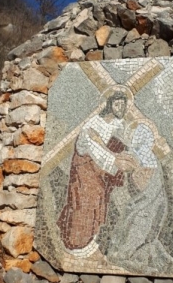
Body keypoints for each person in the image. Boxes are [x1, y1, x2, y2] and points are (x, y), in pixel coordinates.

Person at [57, 89, 136, 256]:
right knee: (84, 203)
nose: (120, 108)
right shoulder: (93, 123)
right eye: (117, 104)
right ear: (109, 104)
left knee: (99, 201)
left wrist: (123, 154)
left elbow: (119, 144)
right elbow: (91, 148)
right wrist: (114, 161)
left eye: (123, 105)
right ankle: (76, 244)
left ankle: (90, 238)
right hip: (85, 168)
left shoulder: (119, 124)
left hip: (100, 172)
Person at [105, 121, 173, 274]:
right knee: (144, 233)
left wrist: (129, 167)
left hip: (147, 205)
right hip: (152, 204)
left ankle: (128, 258)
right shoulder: (149, 157)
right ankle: (161, 263)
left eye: (136, 136)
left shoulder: (143, 157)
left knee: (137, 228)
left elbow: (139, 180)